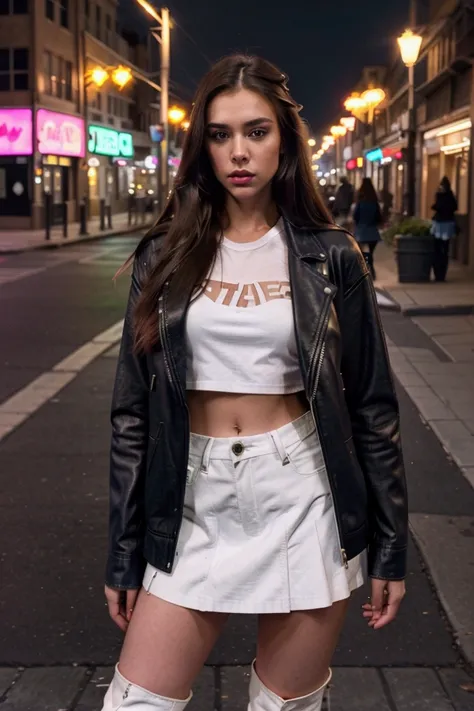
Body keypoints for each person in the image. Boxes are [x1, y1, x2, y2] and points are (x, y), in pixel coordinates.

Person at [102, 55, 407, 711]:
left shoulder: (332, 255)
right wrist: (124, 550)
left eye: (257, 131)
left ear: (285, 139)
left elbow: (373, 409)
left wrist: (389, 548)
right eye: (219, 134)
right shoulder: (165, 254)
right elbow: (131, 413)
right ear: (202, 145)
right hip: (191, 495)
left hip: (299, 491)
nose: (238, 151)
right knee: (136, 702)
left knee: (285, 706)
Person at [352, 177, 383, 280]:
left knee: (360, 253)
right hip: (373, 231)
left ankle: (363, 272)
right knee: (370, 253)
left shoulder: (360, 202)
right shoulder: (374, 202)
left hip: (361, 231)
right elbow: (379, 217)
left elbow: (355, 216)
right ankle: (372, 271)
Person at [431, 176, 458, 282]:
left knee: (437, 250)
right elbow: (455, 207)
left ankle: (438, 274)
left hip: (440, 224)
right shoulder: (450, 196)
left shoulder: (440, 195)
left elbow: (436, 206)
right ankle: (441, 274)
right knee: (444, 250)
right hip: (447, 224)